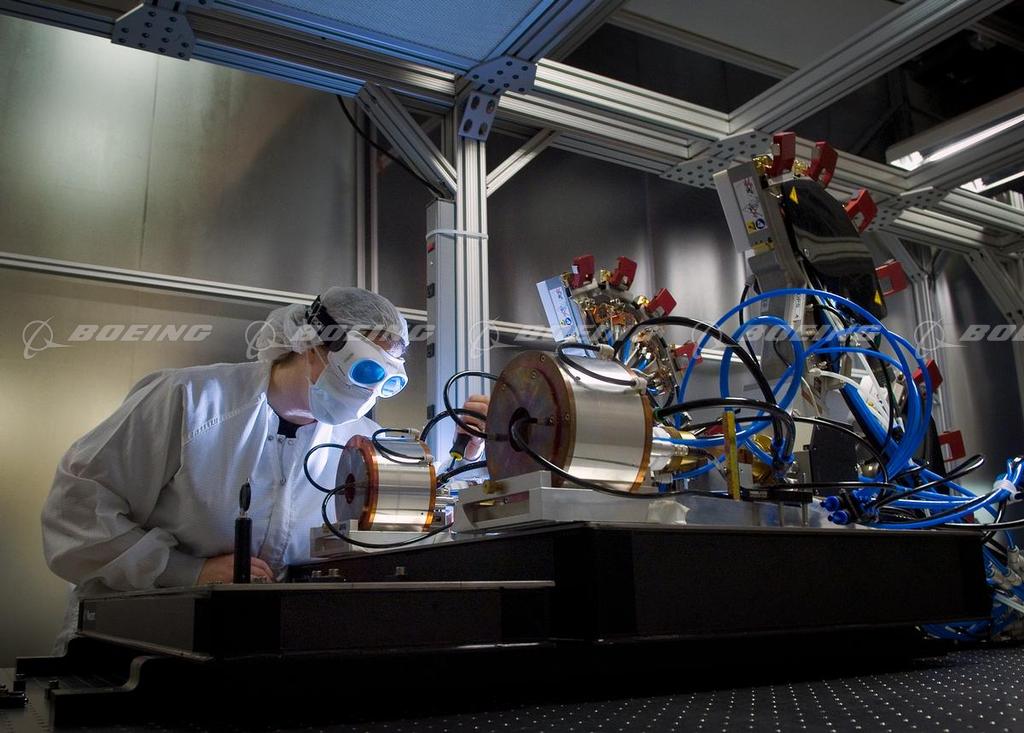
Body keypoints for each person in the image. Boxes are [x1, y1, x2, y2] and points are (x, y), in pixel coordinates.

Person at [41, 287, 489, 653]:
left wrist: (467, 457)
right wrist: (187, 571)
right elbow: (76, 512)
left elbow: (415, 527)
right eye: (365, 370)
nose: (369, 394)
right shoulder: (191, 401)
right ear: (311, 345)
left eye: (387, 382)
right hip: (136, 643)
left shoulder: (361, 442)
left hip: (261, 648)